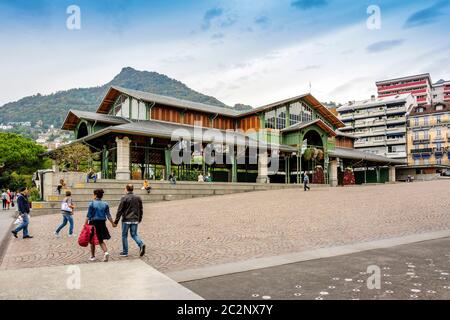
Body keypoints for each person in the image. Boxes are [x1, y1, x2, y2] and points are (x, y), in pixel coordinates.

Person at [113, 184, 146, 257]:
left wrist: (116, 221)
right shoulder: (138, 198)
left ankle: (125, 252)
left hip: (126, 220)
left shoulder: (124, 198)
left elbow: (120, 210)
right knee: (134, 234)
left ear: (126, 189)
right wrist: (139, 218)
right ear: (132, 189)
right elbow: (141, 209)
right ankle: (141, 244)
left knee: (124, 235)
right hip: (135, 219)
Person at [85, 189, 114, 262]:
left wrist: (85, 224)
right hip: (102, 224)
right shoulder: (105, 204)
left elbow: (88, 216)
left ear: (95, 195)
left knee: (92, 241)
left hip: (93, 223)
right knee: (100, 240)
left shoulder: (91, 203)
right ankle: (106, 252)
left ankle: (92, 256)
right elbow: (108, 215)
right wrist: (113, 223)